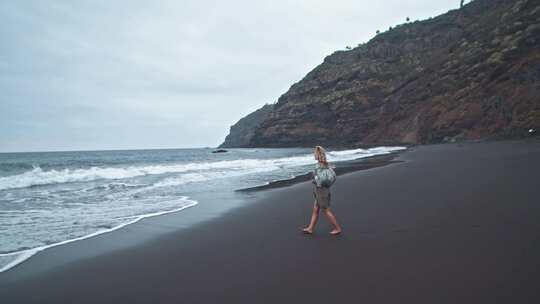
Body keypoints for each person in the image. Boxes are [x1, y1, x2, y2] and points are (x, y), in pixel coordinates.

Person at [302, 146, 342, 235]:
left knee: (326, 210)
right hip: (321, 190)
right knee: (315, 209)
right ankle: (310, 228)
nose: (314, 155)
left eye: (315, 153)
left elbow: (318, 180)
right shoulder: (325, 164)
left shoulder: (319, 166)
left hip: (321, 191)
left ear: (318, 154)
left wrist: (314, 179)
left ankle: (338, 228)